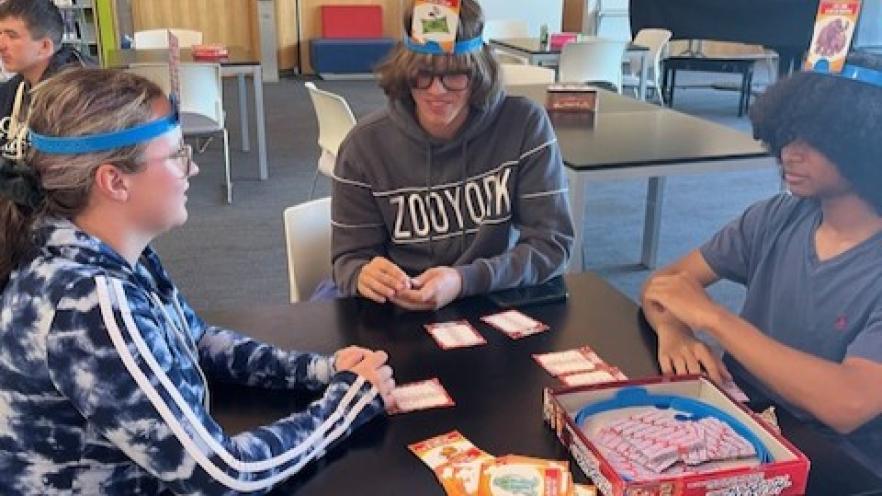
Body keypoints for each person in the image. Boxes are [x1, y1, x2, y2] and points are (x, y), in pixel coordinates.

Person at [0, 68, 396, 494]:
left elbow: (196, 340)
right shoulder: (88, 303)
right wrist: (352, 401)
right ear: (114, 181)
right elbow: (222, 475)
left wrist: (322, 369)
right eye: (175, 155)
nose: (193, 168)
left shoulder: (102, 251)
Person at [642, 52, 882, 475]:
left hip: (836, 461)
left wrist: (713, 319)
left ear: (864, 144)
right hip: (742, 418)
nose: (790, 153)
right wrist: (674, 331)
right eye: (786, 136)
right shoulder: (775, 216)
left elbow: (848, 403)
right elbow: (666, 285)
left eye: (814, 141)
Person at [330, 0, 574, 311]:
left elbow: (552, 245)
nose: (436, 91)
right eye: (423, 74)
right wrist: (363, 274)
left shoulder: (525, 125)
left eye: (454, 75)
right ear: (405, 71)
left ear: (479, 71)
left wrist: (463, 280)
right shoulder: (364, 146)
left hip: (491, 297)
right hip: (399, 311)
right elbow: (348, 259)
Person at [0, 0, 91, 154]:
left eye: (12, 36)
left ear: (44, 47)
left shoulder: (77, 99)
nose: (1, 45)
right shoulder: (16, 87)